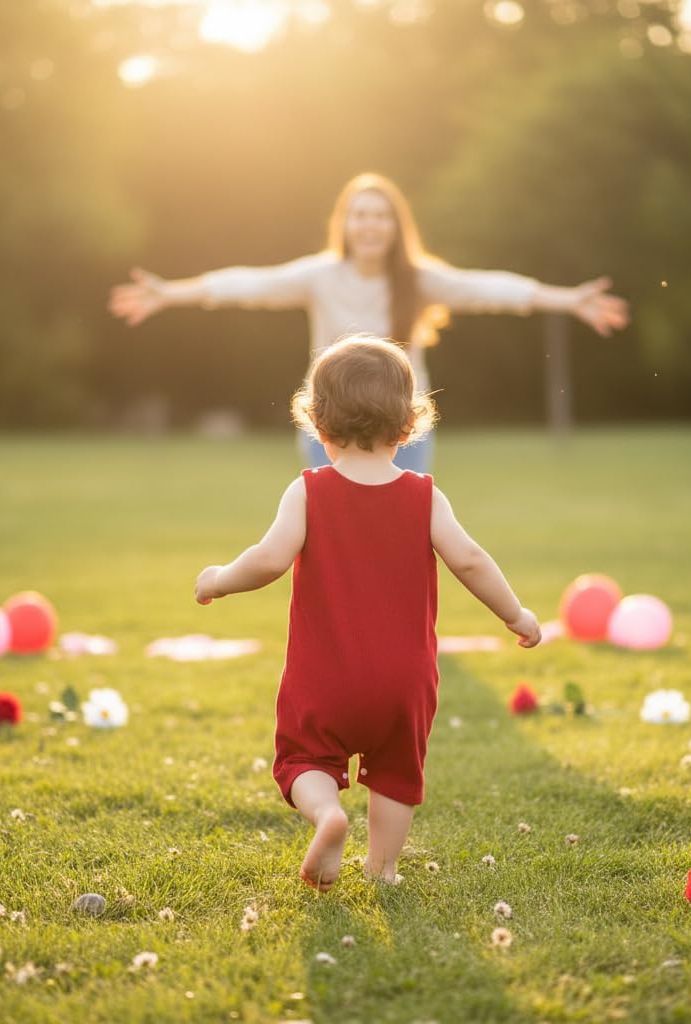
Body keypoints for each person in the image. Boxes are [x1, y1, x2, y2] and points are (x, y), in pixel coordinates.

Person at [194, 336, 541, 890]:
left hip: (324, 678)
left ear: (318, 423)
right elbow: (470, 561)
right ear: (409, 425)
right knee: (397, 772)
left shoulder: (309, 491)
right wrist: (515, 613)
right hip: (404, 682)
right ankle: (382, 869)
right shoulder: (425, 496)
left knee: (305, 758)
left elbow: (268, 560)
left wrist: (218, 579)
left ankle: (328, 815)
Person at [109, 172, 629, 472]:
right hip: (328, 428)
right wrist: (170, 293)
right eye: (360, 215)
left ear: (396, 227)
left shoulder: (418, 280)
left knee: (400, 537)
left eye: (381, 216)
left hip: (405, 430)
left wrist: (568, 300)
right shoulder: (320, 275)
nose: (370, 225)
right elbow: (250, 285)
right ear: (345, 224)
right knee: (335, 539)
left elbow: (488, 289)